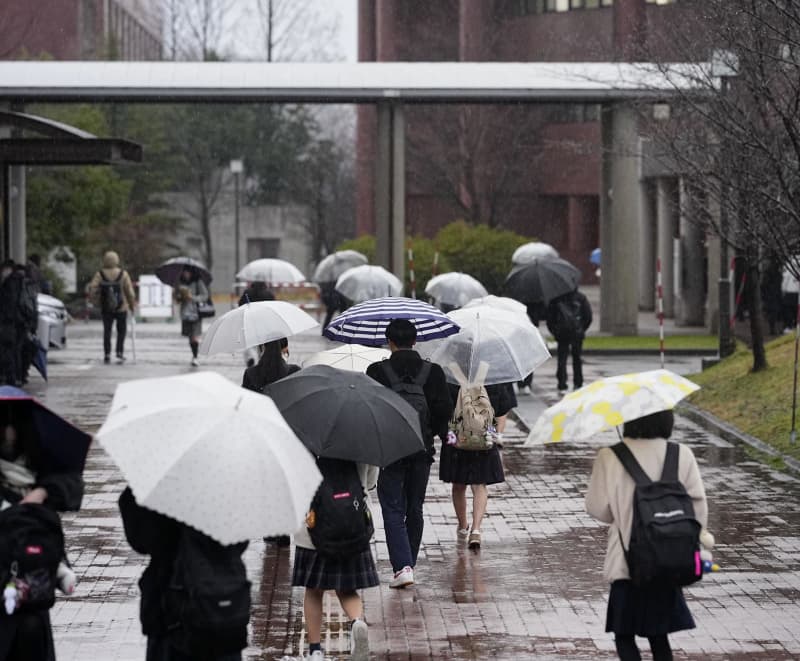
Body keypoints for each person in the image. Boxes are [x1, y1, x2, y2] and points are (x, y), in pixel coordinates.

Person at [585, 410, 708, 661]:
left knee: (624, 634)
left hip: (628, 562)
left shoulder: (610, 456)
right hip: (669, 558)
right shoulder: (680, 454)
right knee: (659, 635)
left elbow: (597, 508)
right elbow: (698, 507)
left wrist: (622, 512)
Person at [366, 319, 453, 588]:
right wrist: (440, 438)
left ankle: (402, 567)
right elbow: (444, 412)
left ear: (389, 341)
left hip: (390, 449)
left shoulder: (377, 371)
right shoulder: (434, 372)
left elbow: (370, 409)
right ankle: (409, 563)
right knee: (414, 507)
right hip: (422, 449)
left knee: (392, 507)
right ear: (415, 341)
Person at [118, 486, 248, 661]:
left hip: (171, 610)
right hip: (222, 605)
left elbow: (141, 539)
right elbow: (241, 541)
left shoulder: (161, 486)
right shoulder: (229, 486)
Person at [0, 419, 84, 661]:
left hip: (32, 599)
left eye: (13, 423)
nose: (9, 433)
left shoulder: (36, 467)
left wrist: (42, 492)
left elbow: (72, 486)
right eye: (3, 424)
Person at [286, 462, 378, 661]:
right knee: (347, 588)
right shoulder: (361, 436)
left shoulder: (305, 438)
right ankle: (356, 623)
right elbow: (370, 481)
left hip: (314, 525)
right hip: (352, 523)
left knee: (313, 591)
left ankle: (315, 651)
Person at [441, 381, 514, 550]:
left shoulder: (450, 378)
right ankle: (476, 529)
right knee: (480, 485)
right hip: (484, 439)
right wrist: (493, 434)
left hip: (457, 439)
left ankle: (462, 526)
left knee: (458, 485)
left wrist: (449, 437)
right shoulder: (492, 378)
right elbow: (502, 409)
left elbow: (443, 410)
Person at [242, 338, 299, 548]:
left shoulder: (252, 374)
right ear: (285, 348)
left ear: (261, 348)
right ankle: (283, 530)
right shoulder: (293, 371)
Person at [87, 251, 136, 365]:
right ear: (117, 260)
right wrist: (131, 306)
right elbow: (130, 292)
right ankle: (119, 351)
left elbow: (92, 289)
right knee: (121, 331)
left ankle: (107, 353)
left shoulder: (100, 274)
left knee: (107, 331)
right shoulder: (123, 274)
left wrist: (97, 301)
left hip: (106, 307)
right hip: (121, 307)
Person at [546, 288, 592, 394]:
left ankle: (562, 384)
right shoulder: (581, 298)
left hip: (562, 334)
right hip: (577, 333)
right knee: (577, 359)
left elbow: (550, 319)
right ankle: (578, 383)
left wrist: (555, 331)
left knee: (562, 359)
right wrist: (581, 328)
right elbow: (588, 316)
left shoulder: (556, 299)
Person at [173, 267, 209, 367]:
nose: (186, 274)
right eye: (184, 272)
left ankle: (195, 357)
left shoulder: (198, 282)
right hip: (185, 313)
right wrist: (180, 297)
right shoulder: (180, 282)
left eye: (188, 272)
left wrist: (192, 298)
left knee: (194, 336)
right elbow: (176, 297)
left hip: (196, 313)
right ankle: (194, 355)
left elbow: (205, 295)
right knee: (190, 337)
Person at [238, 282, 275, 367]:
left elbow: (240, 305)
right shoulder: (269, 294)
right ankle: (262, 358)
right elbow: (273, 307)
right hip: (264, 322)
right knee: (263, 342)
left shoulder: (247, 293)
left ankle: (251, 357)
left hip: (251, 320)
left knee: (250, 342)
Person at [0, 261, 23, 386]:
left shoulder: (11, 282)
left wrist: (5, 318)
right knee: (14, 350)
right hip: (18, 322)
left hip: (10, 322)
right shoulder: (19, 280)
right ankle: (16, 377)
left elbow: (10, 303)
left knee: (8, 350)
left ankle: (11, 378)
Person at [517, 302, 546, 395]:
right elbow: (541, 315)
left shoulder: (519, 301)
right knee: (528, 358)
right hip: (530, 331)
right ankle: (526, 384)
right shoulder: (536, 300)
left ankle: (522, 384)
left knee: (523, 358)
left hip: (522, 330)